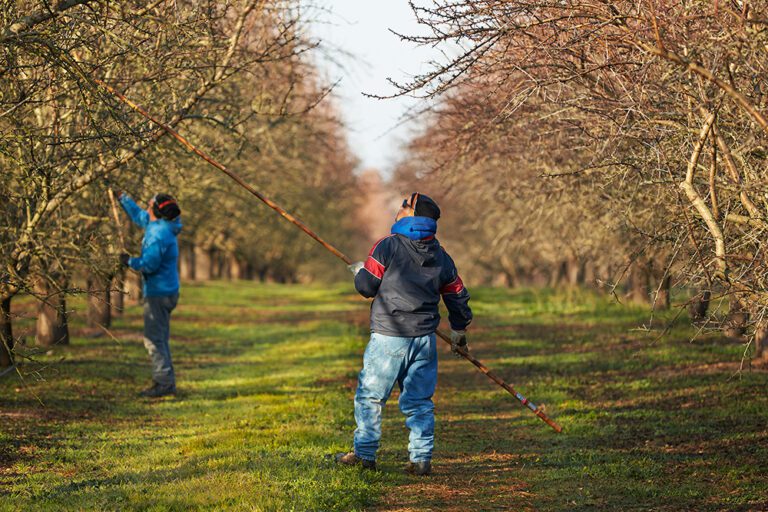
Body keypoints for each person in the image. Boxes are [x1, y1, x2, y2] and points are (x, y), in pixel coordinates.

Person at [335, 192, 473, 476]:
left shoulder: (387, 247)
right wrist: (458, 331)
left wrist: (360, 271)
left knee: (371, 397)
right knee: (419, 400)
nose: (399, 208)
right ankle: (421, 459)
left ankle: (364, 454)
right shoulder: (441, 256)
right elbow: (457, 294)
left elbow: (367, 287)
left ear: (413, 215)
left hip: (388, 337)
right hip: (424, 341)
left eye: (404, 204)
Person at [116, 191, 182, 398]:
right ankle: (166, 381)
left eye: (149, 204)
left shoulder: (158, 235)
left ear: (155, 210)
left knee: (154, 340)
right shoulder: (161, 226)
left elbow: (149, 265)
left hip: (159, 294)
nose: (146, 208)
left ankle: (163, 383)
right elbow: (140, 217)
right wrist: (123, 198)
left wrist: (129, 261)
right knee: (160, 337)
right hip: (167, 291)